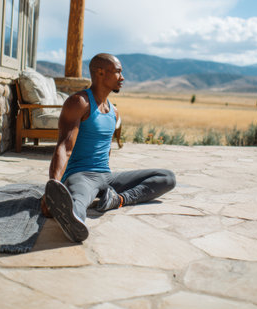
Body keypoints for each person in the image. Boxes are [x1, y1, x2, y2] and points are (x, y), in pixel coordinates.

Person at [42, 53, 176, 242]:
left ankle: (117, 200)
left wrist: (111, 187)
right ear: (100, 73)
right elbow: (64, 147)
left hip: (107, 177)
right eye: (118, 72)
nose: (122, 78)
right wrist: (53, 187)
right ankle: (72, 219)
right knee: (78, 202)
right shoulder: (79, 103)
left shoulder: (114, 111)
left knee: (167, 177)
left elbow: (106, 149)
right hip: (81, 175)